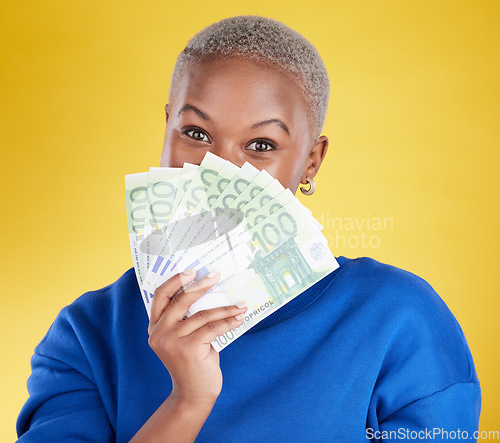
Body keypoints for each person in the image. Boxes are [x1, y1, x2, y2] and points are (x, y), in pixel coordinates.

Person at [17, 15, 481, 442]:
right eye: (196, 134)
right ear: (165, 130)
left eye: (261, 144)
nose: (218, 170)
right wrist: (187, 403)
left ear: (311, 161)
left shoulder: (399, 321)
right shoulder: (86, 336)